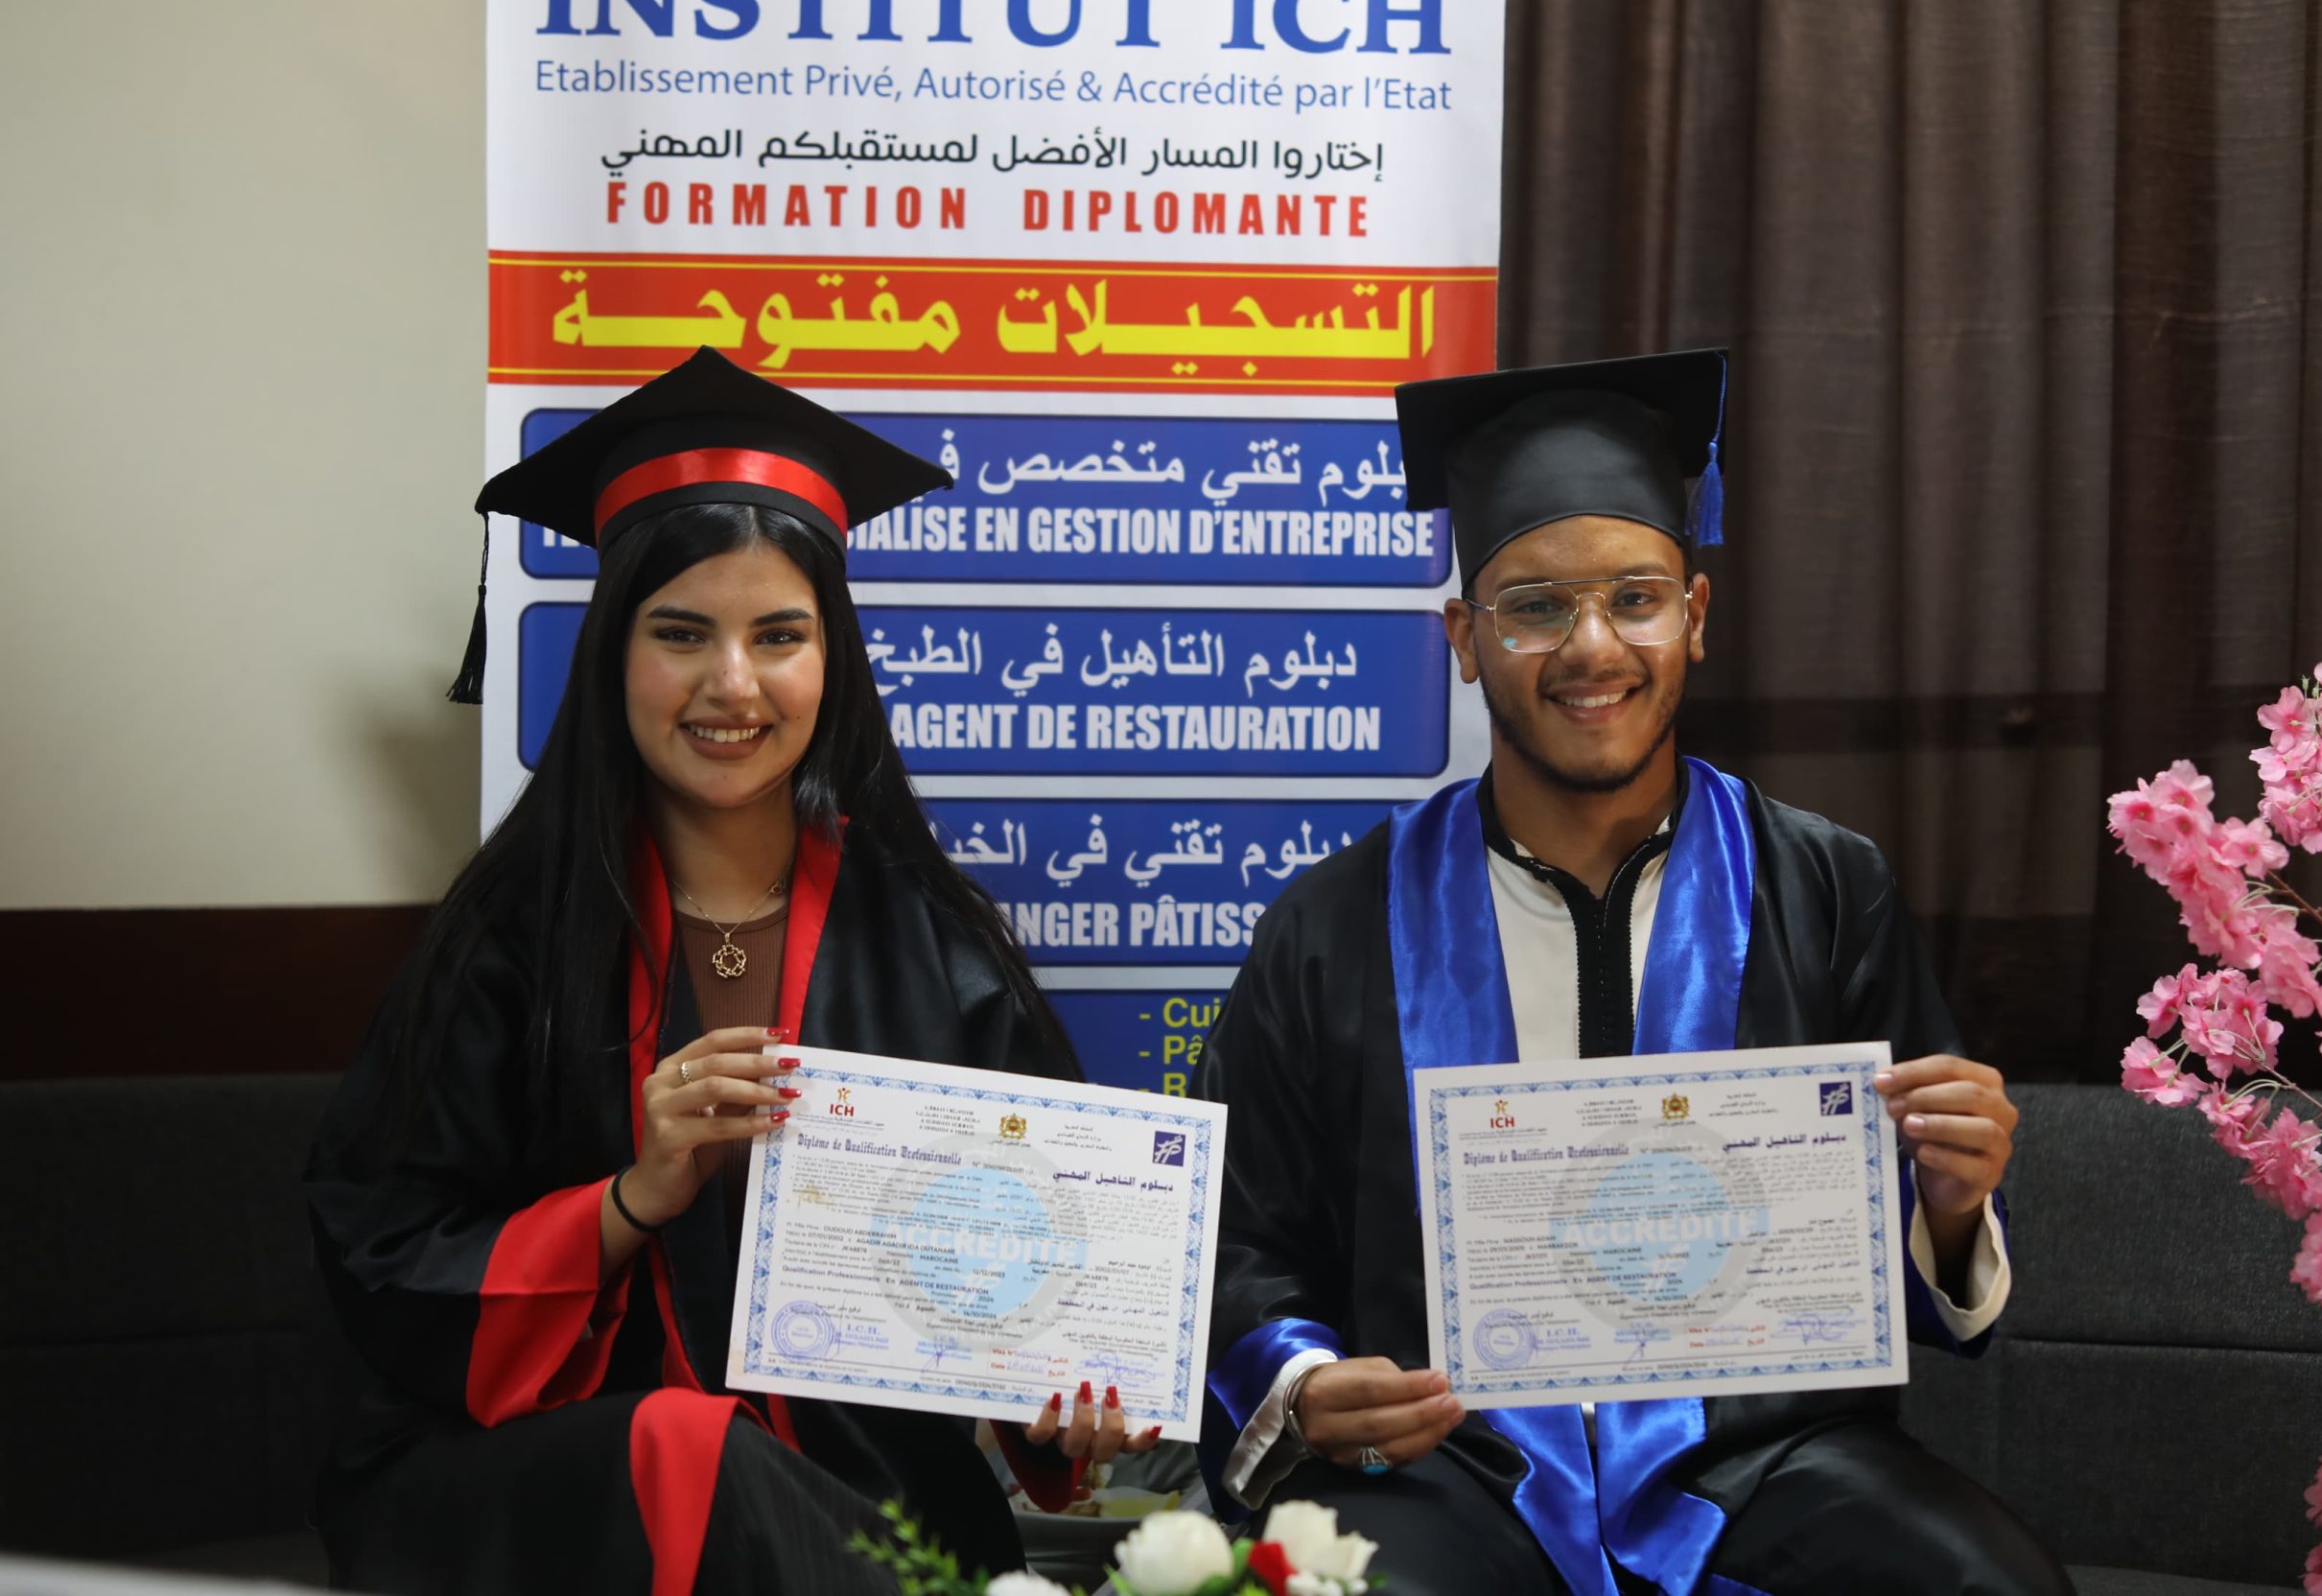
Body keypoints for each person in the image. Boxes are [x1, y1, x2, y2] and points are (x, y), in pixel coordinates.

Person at [1197, 351, 2070, 1596]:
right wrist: (1302, 1378)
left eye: (1636, 598)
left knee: (1992, 1586)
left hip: (1764, 1457)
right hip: (1449, 1457)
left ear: (1695, 617)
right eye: (1536, 607)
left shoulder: (1825, 889)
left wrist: (1951, 1202)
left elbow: (1905, 1256)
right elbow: (1240, 1237)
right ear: (1465, 640)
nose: (1592, 646)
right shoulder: (1333, 923)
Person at [305, 348, 1154, 1595]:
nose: (733, 684)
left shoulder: (932, 943)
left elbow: (1030, 1287)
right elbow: (384, 1256)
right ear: (615, 652)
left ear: (832, 661)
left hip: (860, 1491)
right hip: (559, 1484)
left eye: (780, 635)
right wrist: (632, 1196)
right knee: (689, 1446)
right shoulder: (510, 936)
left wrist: (1064, 1398)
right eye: (682, 633)